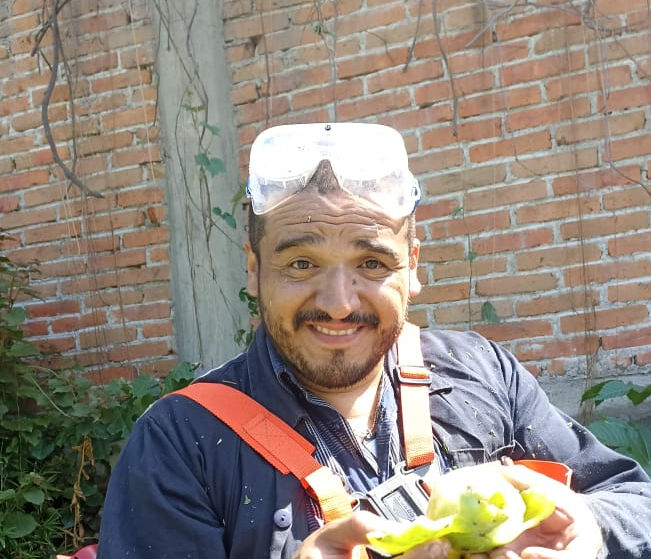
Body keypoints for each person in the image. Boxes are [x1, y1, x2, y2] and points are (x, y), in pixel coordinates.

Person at [98, 122, 651, 559]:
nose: (340, 303)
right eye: (301, 263)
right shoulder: (180, 443)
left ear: (412, 266)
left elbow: (633, 499)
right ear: (255, 269)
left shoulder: (483, 373)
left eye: (371, 263)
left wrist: (589, 527)